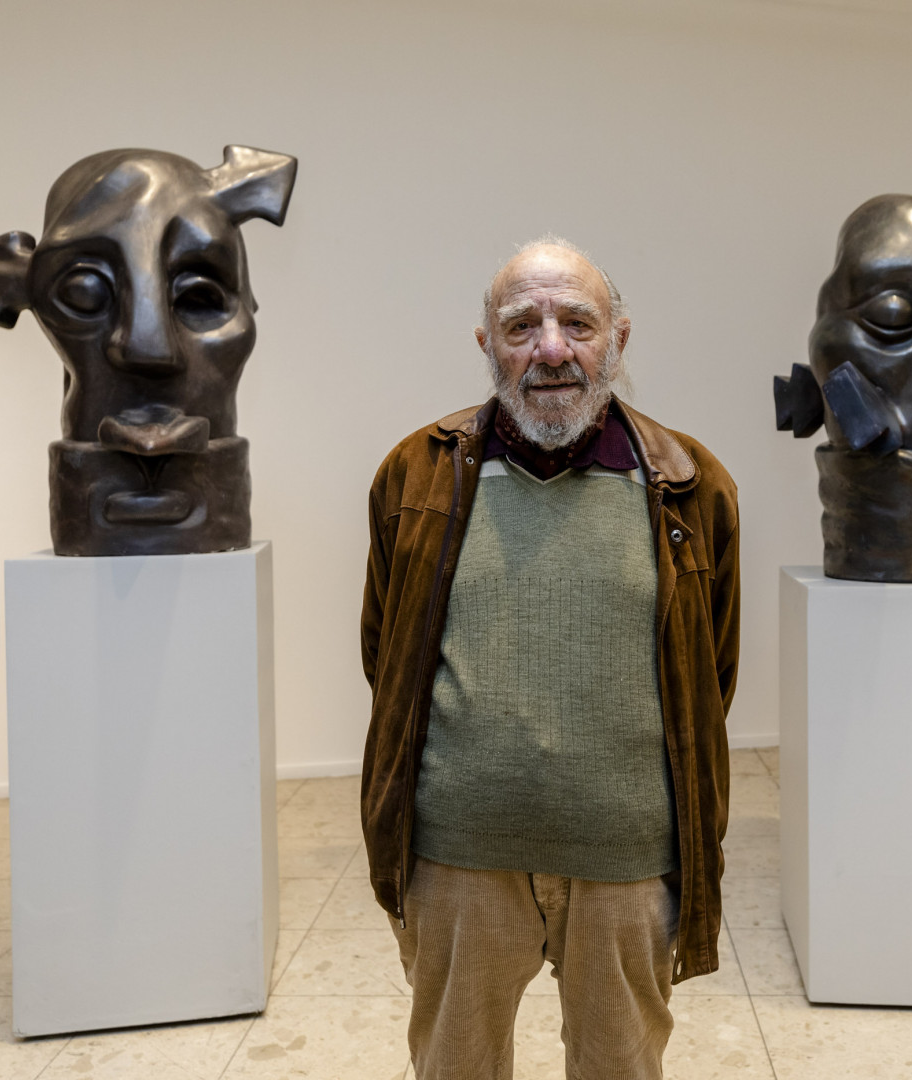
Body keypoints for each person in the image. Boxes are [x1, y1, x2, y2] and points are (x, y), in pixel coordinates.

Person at [359, 236, 741, 1080]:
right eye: (521, 325)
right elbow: (387, 658)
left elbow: (708, 674)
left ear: (620, 339)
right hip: (455, 862)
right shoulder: (413, 477)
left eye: (578, 322)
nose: (552, 348)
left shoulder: (691, 484)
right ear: (486, 345)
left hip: (627, 865)